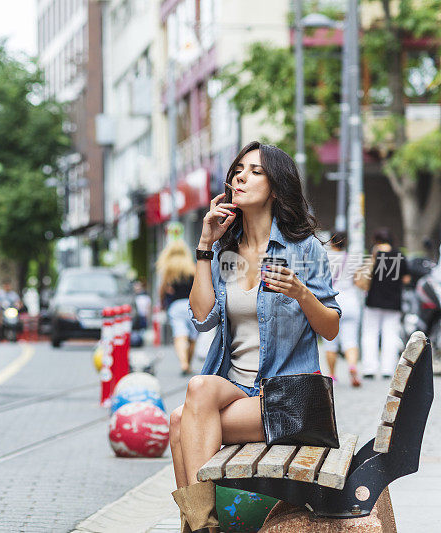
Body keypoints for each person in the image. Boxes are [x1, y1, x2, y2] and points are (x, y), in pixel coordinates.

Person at [168, 141, 341, 533]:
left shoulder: (303, 249)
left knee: (181, 422)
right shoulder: (226, 251)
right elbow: (201, 319)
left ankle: (198, 527)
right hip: (237, 389)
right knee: (196, 391)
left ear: (277, 188)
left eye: (256, 171)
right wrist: (205, 245)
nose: (241, 177)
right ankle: (203, 525)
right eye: (238, 170)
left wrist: (300, 292)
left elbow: (330, 328)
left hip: (289, 397)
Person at [356, 228, 410, 379]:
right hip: (393, 302)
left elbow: (366, 275)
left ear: (376, 239)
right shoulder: (400, 255)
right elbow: (406, 279)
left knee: (370, 334)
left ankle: (369, 369)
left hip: (373, 300)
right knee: (390, 335)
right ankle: (387, 369)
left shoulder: (374, 254)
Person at [324, 231, 363, 387]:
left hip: (332, 302)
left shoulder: (324, 257)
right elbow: (359, 281)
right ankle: (352, 366)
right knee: (351, 340)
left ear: (331, 242)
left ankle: (332, 375)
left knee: (330, 342)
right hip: (351, 301)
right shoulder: (353, 259)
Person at [156, 241, 198, 374]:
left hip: (175, 306)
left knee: (180, 335)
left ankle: (183, 363)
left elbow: (162, 290)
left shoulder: (168, 269)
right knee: (192, 337)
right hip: (192, 305)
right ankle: (188, 363)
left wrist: (162, 303)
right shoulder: (192, 267)